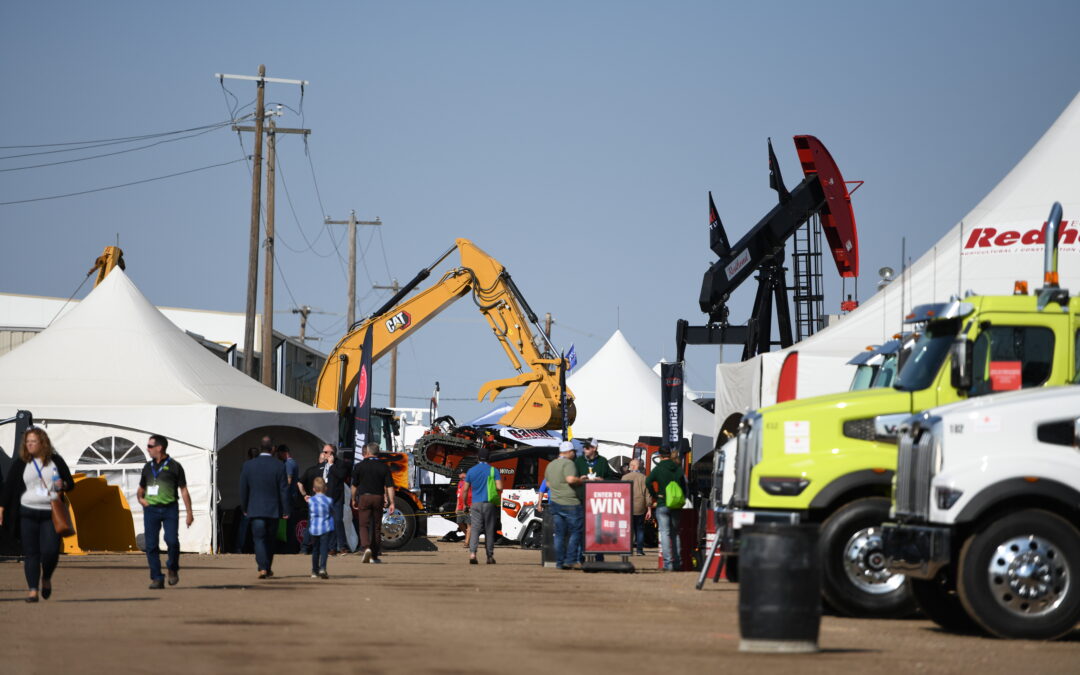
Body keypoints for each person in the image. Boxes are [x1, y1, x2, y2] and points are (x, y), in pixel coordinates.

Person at [0, 427, 75, 602]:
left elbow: (70, 484)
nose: (30, 445)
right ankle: (33, 590)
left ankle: (46, 578)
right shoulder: (21, 463)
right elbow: (9, 487)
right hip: (27, 512)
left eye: (33, 441)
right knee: (31, 553)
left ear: (43, 442)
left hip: (50, 513)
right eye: (27, 442)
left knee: (50, 551)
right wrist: (1, 508)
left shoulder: (55, 461)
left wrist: (62, 484)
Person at [137, 434, 194, 589]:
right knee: (151, 545)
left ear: (159, 448)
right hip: (151, 510)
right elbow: (141, 489)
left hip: (170, 509)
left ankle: (172, 568)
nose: (147, 449)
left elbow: (184, 490)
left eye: (150, 446)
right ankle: (157, 578)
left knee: (172, 541)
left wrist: (189, 513)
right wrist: (141, 499)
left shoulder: (175, 466)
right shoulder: (147, 467)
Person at [239, 442, 289, 579]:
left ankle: (262, 568)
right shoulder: (279, 465)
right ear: (272, 449)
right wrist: (286, 509)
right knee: (270, 540)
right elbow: (284, 490)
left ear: (261, 448)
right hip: (273, 509)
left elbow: (243, 488)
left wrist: (244, 506)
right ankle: (267, 566)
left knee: (259, 539)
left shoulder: (248, 465)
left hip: (255, 508)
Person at [543, 441, 588, 570]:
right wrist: (581, 480)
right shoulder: (569, 463)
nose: (574, 454)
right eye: (573, 451)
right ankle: (571, 560)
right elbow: (570, 479)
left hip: (555, 502)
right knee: (576, 532)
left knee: (559, 534)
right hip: (570, 503)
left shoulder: (550, 465)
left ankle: (559, 562)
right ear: (569, 452)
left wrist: (558, 489)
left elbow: (548, 484)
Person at [299, 444, 349, 555]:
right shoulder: (322, 465)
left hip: (337, 498)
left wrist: (331, 465)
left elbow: (341, 476)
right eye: (323, 452)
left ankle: (343, 546)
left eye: (326, 452)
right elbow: (318, 481)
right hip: (325, 499)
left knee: (337, 521)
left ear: (332, 453)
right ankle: (332, 548)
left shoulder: (340, 464)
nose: (324, 454)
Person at [350, 442, 395, 564]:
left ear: (368, 452)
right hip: (378, 497)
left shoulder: (359, 466)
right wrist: (392, 502)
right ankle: (374, 555)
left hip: (364, 497)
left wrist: (353, 498)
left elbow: (354, 486)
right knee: (376, 526)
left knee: (363, 525)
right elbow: (390, 486)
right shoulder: (384, 467)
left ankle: (366, 548)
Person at [574, 438, 615, 562]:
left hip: (598, 500)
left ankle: (599, 557)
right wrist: (580, 479)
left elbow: (611, 478)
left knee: (598, 529)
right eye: (584, 447)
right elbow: (573, 478)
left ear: (594, 448)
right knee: (581, 529)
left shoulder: (602, 461)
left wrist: (603, 480)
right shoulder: (579, 461)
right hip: (582, 499)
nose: (584, 449)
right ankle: (580, 557)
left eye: (587, 447)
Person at [647, 447, 686, 571]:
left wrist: (655, 494)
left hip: (662, 503)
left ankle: (668, 564)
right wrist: (682, 498)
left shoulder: (658, 468)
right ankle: (677, 563)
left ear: (660, 455)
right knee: (675, 533)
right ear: (670, 454)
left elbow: (648, 481)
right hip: (676, 504)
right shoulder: (678, 468)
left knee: (664, 533)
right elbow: (684, 486)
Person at [464, 449, 502, 565]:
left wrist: (465, 503)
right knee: (489, 530)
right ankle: (489, 556)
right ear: (489, 458)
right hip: (489, 503)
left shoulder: (471, 471)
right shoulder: (493, 470)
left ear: (478, 458)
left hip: (475, 504)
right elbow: (499, 487)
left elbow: (465, 489)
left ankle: (473, 554)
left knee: (475, 529)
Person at [306, 477, 334, 579]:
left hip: (314, 528)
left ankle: (314, 571)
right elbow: (331, 513)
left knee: (315, 550)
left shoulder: (311, 500)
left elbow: (310, 514)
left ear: (314, 489)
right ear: (325, 488)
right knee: (324, 550)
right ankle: (322, 568)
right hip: (325, 527)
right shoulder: (329, 500)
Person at [622, 458, 650, 556]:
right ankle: (639, 550)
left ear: (632, 466)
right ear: (638, 467)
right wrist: (649, 509)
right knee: (640, 529)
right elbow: (647, 494)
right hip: (640, 506)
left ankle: (627, 549)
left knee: (628, 529)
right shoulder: (644, 478)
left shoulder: (624, 478)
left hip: (627, 506)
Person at [233, 447, 259, 553]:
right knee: (258, 525)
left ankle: (239, 547)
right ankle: (258, 547)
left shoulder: (246, 466)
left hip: (249, 499)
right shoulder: (262, 465)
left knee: (244, 526)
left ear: (248, 455)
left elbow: (244, 485)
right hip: (260, 499)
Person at [454, 469, 471, 547]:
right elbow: (458, 496)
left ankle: (467, 542)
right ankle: (468, 535)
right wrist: (457, 507)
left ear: (464, 474)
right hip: (460, 506)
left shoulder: (470, 481)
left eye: (459, 474)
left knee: (469, 524)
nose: (458, 475)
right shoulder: (460, 483)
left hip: (469, 505)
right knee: (459, 522)